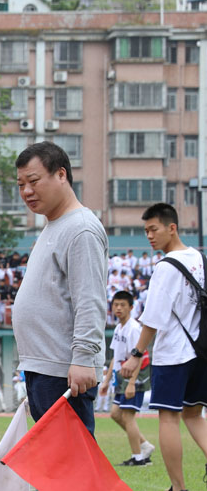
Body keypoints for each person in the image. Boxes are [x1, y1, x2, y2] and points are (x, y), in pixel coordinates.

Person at [12, 141, 106, 436]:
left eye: (34, 181)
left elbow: (90, 300)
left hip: (64, 370)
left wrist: (83, 359)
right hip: (45, 367)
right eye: (21, 184)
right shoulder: (54, 225)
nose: (27, 191)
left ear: (61, 174)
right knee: (54, 458)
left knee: (71, 459)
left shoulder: (81, 229)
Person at [121, 203, 207, 491]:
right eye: (146, 230)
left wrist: (136, 354)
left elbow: (153, 318)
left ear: (172, 228)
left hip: (173, 354)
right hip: (200, 351)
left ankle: (178, 488)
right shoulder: (199, 258)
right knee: (193, 415)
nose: (149, 236)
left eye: (153, 229)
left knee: (168, 419)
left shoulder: (165, 266)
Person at [99, 291, 155, 466]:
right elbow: (116, 357)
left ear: (131, 307)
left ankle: (138, 458)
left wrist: (132, 383)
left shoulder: (134, 328)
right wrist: (106, 381)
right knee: (116, 414)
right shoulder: (118, 328)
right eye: (115, 305)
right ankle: (144, 445)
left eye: (122, 305)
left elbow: (138, 358)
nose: (118, 308)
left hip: (134, 376)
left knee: (128, 416)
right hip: (121, 375)